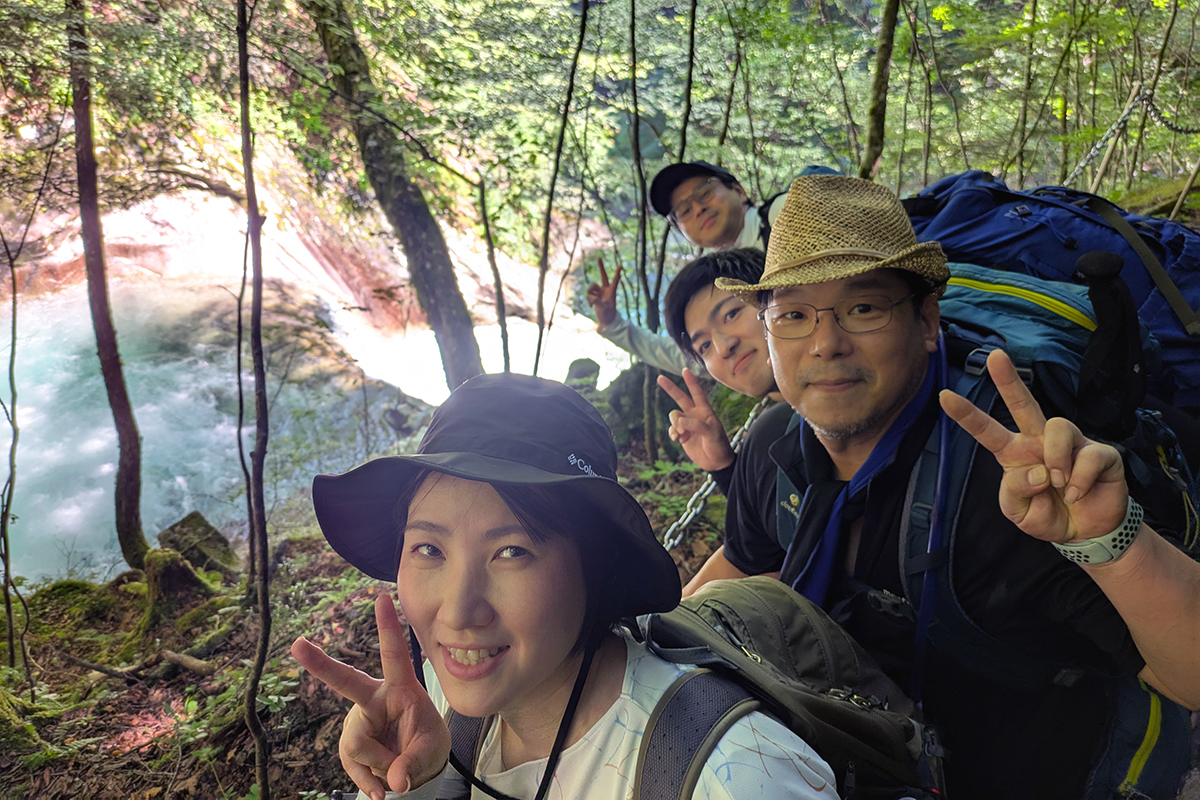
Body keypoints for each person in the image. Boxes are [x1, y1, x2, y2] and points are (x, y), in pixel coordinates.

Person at [708, 175, 1200, 799]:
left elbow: (1190, 678)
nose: (826, 344)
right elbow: (746, 561)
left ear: (927, 321)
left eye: (864, 308)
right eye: (795, 315)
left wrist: (1112, 540)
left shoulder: (1016, 473)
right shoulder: (774, 443)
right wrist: (648, 633)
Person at [290, 373, 840, 800]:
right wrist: (422, 780)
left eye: (512, 552)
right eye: (428, 549)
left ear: (595, 565)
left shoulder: (734, 775)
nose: (458, 612)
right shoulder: (443, 697)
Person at [587, 162, 790, 376]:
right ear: (683, 233)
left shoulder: (785, 215)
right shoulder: (711, 283)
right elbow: (692, 358)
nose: (698, 209)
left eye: (705, 192)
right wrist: (612, 323)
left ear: (739, 191)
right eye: (684, 210)